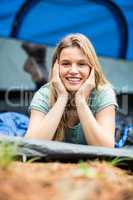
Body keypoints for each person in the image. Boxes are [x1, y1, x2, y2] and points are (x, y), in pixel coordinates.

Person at [26, 33, 118, 147]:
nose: (73, 70)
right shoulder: (44, 94)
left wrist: (80, 101)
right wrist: (62, 98)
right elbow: (30, 145)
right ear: (56, 67)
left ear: (92, 68)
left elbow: (106, 148)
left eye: (81, 64)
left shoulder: (103, 93)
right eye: (66, 64)